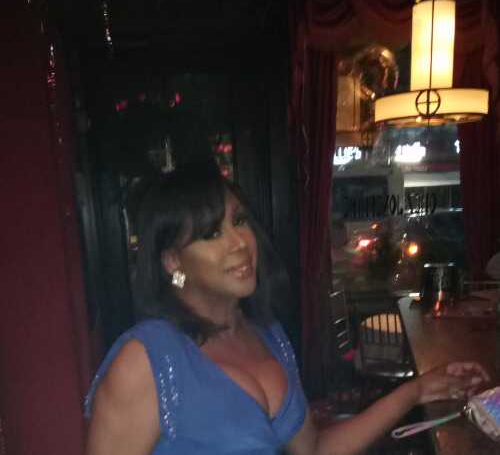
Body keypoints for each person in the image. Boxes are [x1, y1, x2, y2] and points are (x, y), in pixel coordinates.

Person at [84, 161, 490, 455]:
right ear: (173, 261)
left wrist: (415, 391)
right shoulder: (147, 361)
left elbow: (314, 449)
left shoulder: (267, 335)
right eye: (211, 234)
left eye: (239, 221)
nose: (239, 243)